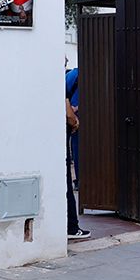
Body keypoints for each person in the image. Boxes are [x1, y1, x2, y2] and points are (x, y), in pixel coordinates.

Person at [65, 65, 88, 240]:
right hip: (73, 122)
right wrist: (74, 119)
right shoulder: (78, 75)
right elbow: (67, 104)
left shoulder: (71, 75)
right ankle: (71, 227)